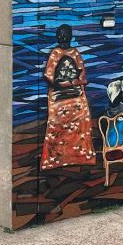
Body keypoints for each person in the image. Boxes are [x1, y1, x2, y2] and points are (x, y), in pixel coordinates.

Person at [41, 24, 95, 169]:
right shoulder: (55, 53)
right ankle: (56, 159)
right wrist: (69, 83)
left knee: (81, 125)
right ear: (58, 36)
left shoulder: (75, 53)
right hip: (59, 97)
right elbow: (49, 76)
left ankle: (81, 156)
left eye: (66, 34)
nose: (63, 37)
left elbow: (82, 71)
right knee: (57, 128)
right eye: (61, 34)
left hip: (76, 96)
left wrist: (79, 81)